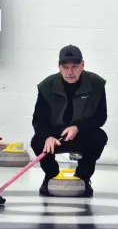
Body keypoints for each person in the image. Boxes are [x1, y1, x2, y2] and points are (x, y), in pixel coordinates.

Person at [30, 44, 108, 197]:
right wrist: (48, 137)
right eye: (65, 67)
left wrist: (78, 127)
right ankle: (50, 176)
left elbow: (100, 117)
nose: (70, 72)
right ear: (59, 67)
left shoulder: (96, 84)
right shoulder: (47, 86)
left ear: (82, 65)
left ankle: (83, 178)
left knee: (99, 137)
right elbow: (39, 119)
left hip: (82, 132)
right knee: (37, 141)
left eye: (75, 66)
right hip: (55, 135)